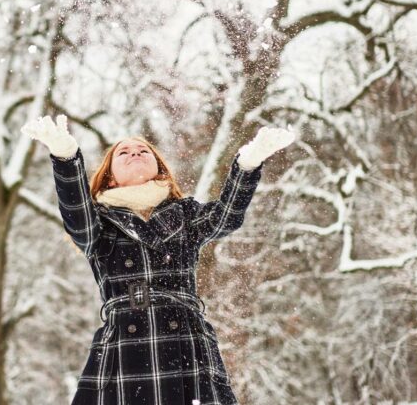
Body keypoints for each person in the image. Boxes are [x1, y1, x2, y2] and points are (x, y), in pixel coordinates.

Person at [21, 114, 295, 405]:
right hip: (125, 348)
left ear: (159, 169)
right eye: (123, 153)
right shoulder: (100, 223)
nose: (134, 153)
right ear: (111, 175)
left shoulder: (185, 214)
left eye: (142, 151)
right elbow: (78, 218)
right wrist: (64, 155)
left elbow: (225, 218)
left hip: (185, 341)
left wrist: (249, 162)